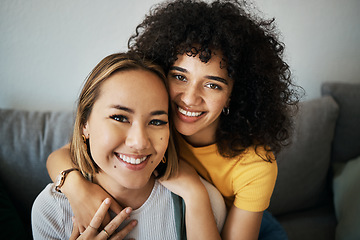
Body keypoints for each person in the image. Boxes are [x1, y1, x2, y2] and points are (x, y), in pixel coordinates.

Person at [46, 0, 302, 239]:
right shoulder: (151, 125)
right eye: (180, 76)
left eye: (212, 85)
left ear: (235, 95)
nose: (190, 98)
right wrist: (77, 188)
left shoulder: (256, 164)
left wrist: (194, 191)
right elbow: (66, 153)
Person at [32, 52, 225, 240]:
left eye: (157, 122)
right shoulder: (51, 210)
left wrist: (196, 197)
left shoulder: (204, 202)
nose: (139, 142)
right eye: (120, 118)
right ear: (85, 123)